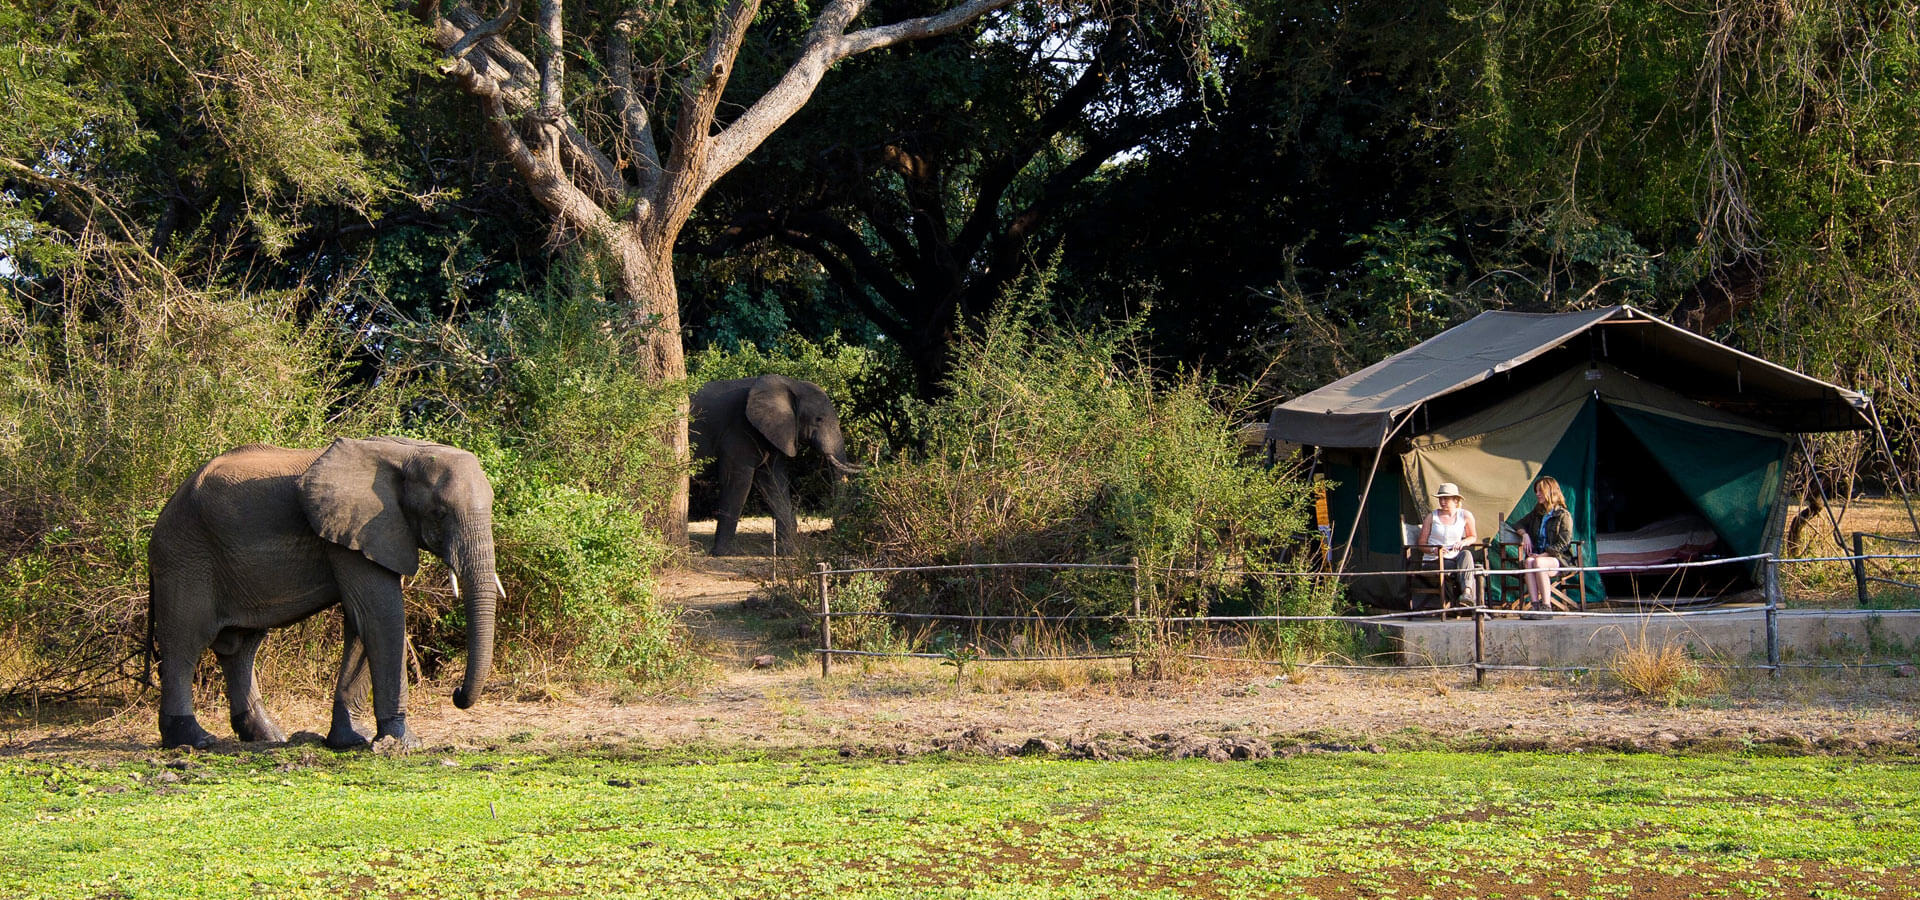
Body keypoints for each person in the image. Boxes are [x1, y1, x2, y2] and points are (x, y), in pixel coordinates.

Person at [1515, 475, 1575, 611]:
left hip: (1559, 559)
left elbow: (1564, 543)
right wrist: (1524, 535)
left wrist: (1544, 554)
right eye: (1536, 491)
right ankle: (1535, 605)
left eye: (1540, 491)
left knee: (1538, 562)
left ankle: (1546, 606)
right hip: (1539, 556)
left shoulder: (1563, 515)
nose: (1537, 494)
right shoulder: (1538, 513)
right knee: (1529, 562)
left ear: (1550, 492)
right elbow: (1518, 524)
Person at [1414, 482, 1478, 607]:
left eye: (1446, 498)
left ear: (1455, 500)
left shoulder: (1465, 515)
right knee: (1472, 571)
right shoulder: (1432, 517)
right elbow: (1421, 544)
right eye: (1440, 498)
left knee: (1467, 554)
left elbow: (1473, 537)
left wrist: (1464, 541)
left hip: (1454, 557)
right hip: (1434, 560)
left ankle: (1466, 594)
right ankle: (1475, 608)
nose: (1442, 501)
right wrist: (1434, 550)